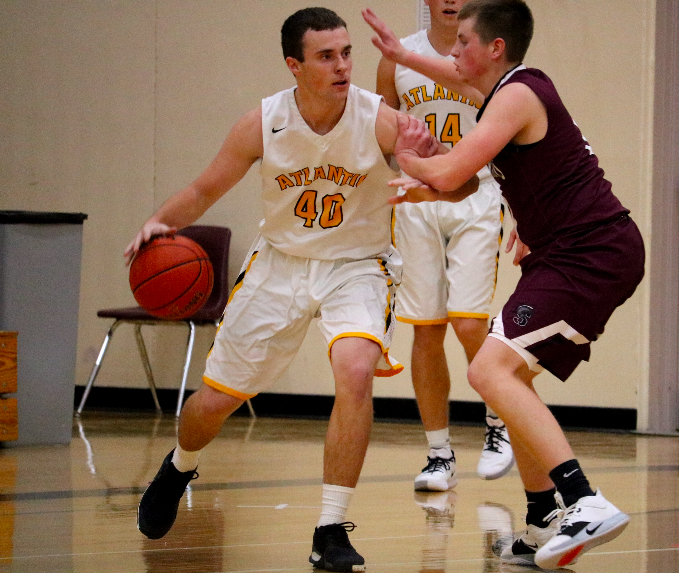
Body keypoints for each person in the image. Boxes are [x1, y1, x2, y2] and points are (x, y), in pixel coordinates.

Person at [128, 8, 474, 573]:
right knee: (212, 405)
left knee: (355, 370)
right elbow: (202, 189)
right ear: (295, 65)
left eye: (346, 53)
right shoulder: (261, 122)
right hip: (281, 266)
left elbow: (463, 187)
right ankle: (180, 466)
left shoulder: (380, 119)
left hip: (358, 267)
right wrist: (157, 223)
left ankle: (331, 527)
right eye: (326, 56)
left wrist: (432, 163)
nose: (342, 65)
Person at [365, 0, 645, 568]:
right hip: (561, 255)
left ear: (495, 49)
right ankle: (543, 517)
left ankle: (584, 500)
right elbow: (461, 182)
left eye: (463, 41)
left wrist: (408, 156)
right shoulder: (501, 93)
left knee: (487, 369)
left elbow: (448, 172)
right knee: (505, 374)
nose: (451, 52)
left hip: (591, 254)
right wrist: (398, 56)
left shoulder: (517, 93)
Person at [372, 0, 513, 492]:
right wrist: (399, 167)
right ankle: (438, 453)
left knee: (469, 320)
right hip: (418, 198)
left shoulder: (485, 59)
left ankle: (500, 421)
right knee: (426, 330)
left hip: (477, 192)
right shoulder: (396, 57)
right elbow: (384, 133)